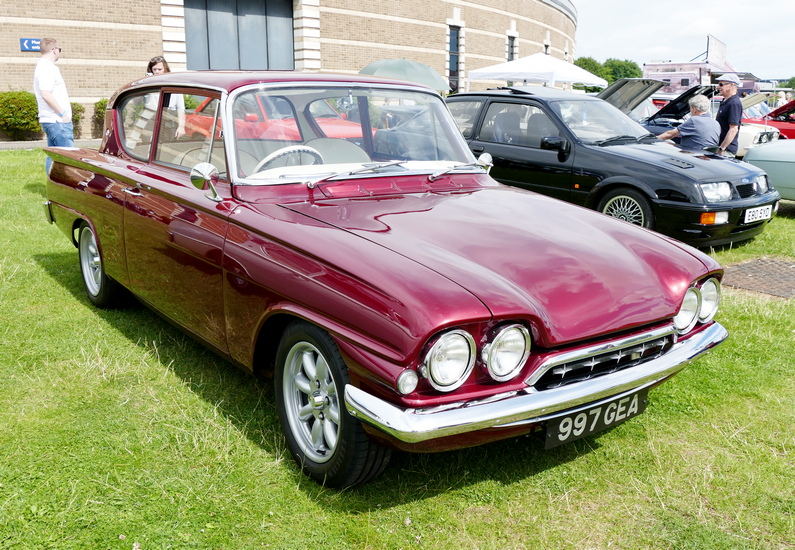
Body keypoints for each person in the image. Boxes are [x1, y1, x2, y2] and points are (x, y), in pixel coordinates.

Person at [34, 37, 74, 171]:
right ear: (54, 50)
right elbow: (46, 94)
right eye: (59, 49)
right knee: (69, 159)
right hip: (57, 121)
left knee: (53, 157)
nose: (59, 52)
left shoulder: (42, 67)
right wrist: (63, 114)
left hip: (51, 120)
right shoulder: (47, 68)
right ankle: (66, 190)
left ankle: (53, 188)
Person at [146, 56, 185, 138]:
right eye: (154, 69)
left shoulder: (174, 85)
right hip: (150, 119)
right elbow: (137, 102)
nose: (157, 72)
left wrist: (181, 127)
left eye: (159, 69)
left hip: (169, 119)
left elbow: (181, 108)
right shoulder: (147, 84)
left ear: (165, 69)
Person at [714, 73, 743, 156]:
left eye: (721, 84)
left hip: (726, 150)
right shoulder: (726, 101)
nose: (718, 87)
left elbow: (733, 129)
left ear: (731, 85)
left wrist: (722, 148)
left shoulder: (734, 103)